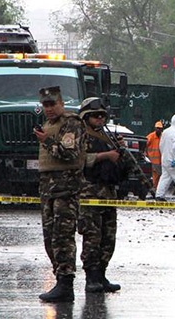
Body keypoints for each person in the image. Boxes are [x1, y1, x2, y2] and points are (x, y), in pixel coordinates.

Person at [34, 86, 87, 303]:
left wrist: (46, 140)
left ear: (61, 104)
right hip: (48, 188)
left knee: (63, 237)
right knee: (50, 237)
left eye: (52, 104)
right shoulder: (49, 125)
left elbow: (69, 153)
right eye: (45, 105)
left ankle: (66, 283)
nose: (49, 109)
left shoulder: (71, 123)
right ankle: (59, 278)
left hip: (66, 188)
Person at [78, 97, 123, 293]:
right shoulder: (81, 135)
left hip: (108, 193)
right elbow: (79, 159)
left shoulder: (107, 136)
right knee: (92, 236)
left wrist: (118, 149)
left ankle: (102, 274)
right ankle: (91, 277)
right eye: (95, 116)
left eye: (102, 116)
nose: (100, 120)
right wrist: (105, 156)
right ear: (86, 117)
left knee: (108, 237)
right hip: (89, 192)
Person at [145, 121, 163, 190]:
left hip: (160, 161)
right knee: (155, 176)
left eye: (160, 128)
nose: (159, 129)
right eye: (157, 128)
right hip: (152, 160)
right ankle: (154, 188)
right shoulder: (151, 137)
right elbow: (144, 145)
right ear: (155, 128)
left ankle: (156, 188)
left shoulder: (163, 136)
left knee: (159, 176)